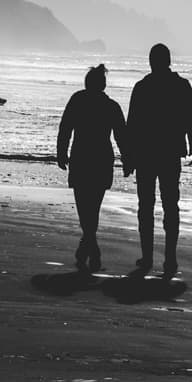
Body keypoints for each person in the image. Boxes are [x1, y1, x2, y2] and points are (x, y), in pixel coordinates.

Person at [125, 43, 192, 277]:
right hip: (170, 153)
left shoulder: (142, 87)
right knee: (170, 206)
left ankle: (147, 257)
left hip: (146, 154)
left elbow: (132, 125)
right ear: (168, 61)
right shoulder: (181, 86)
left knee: (145, 207)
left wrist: (129, 157)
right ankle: (170, 259)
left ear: (151, 61)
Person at [57, 64, 128, 273]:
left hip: (81, 158)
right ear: (103, 84)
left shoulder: (77, 100)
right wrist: (128, 160)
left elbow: (65, 127)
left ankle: (88, 245)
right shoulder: (111, 106)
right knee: (93, 208)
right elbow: (122, 136)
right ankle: (90, 245)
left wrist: (61, 152)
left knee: (84, 208)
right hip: (101, 160)